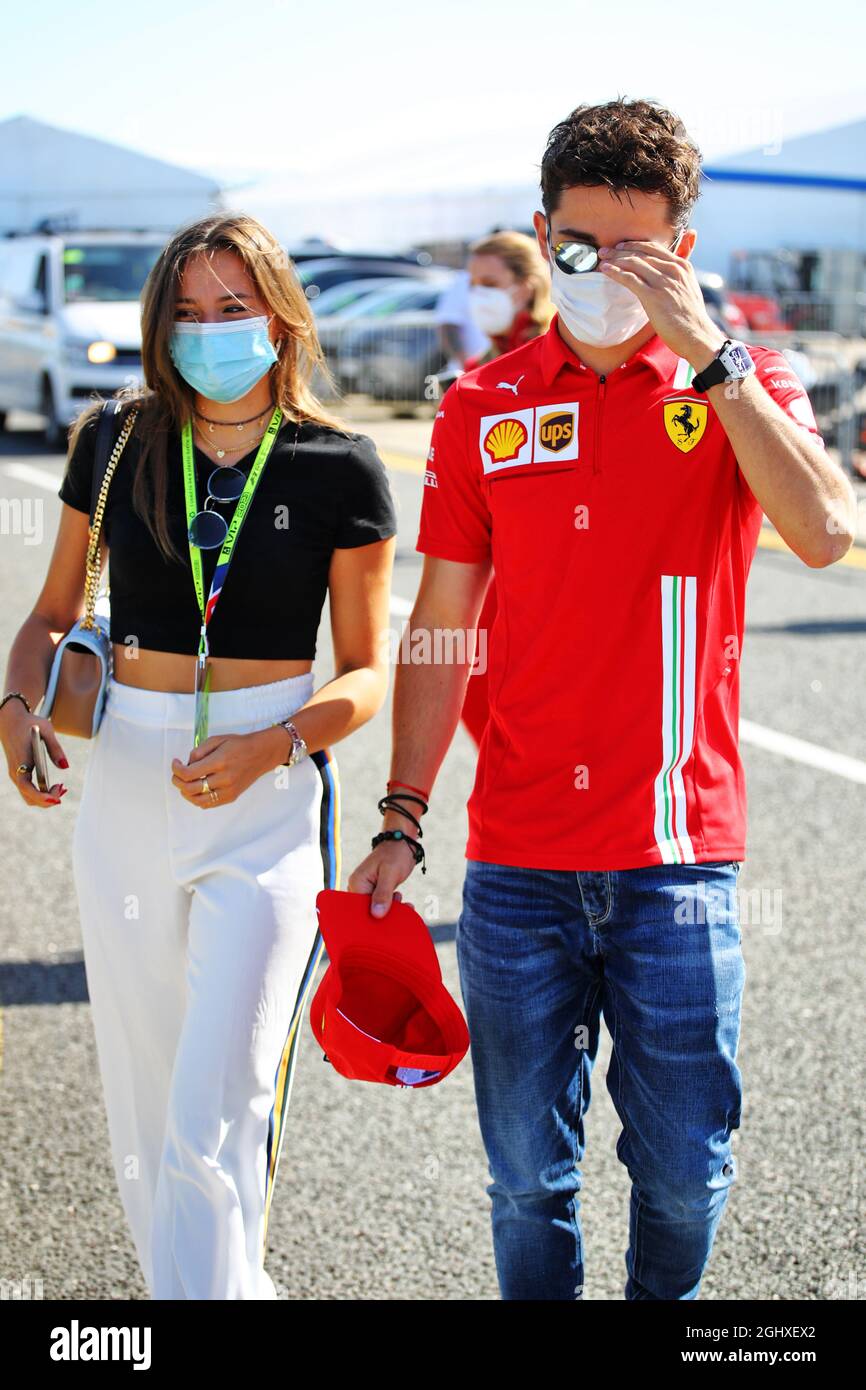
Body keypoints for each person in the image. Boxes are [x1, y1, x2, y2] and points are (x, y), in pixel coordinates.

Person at [348, 99, 856, 1301]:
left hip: (677, 864)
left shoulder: (737, 384)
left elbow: (826, 531)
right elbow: (438, 629)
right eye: (576, 248)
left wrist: (713, 358)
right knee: (527, 1179)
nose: (602, 275)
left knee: (684, 1173)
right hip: (516, 864)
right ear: (542, 231)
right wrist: (403, 812)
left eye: (636, 252)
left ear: (682, 249)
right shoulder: (481, 405)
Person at [0, 212, 397, 1300]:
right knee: (143, 1088)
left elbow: (364, 672)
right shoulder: (118, 436)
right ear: (157, 323)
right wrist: (15, 704)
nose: (209, 330)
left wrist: (277, 739)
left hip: (267, 793)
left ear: (279, 317)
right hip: (126, 774)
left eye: (234, 308)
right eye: (186, 311)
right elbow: (44, 618)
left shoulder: (339, 466)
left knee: (219, 1097)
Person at [458, 230, 553, 746]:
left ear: (526, 286)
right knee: (478, 699)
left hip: (543, 566)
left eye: (490, 283)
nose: (478, 296)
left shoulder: (555, 355)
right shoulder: (477, 370)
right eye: (472, 284)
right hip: (485, 564)